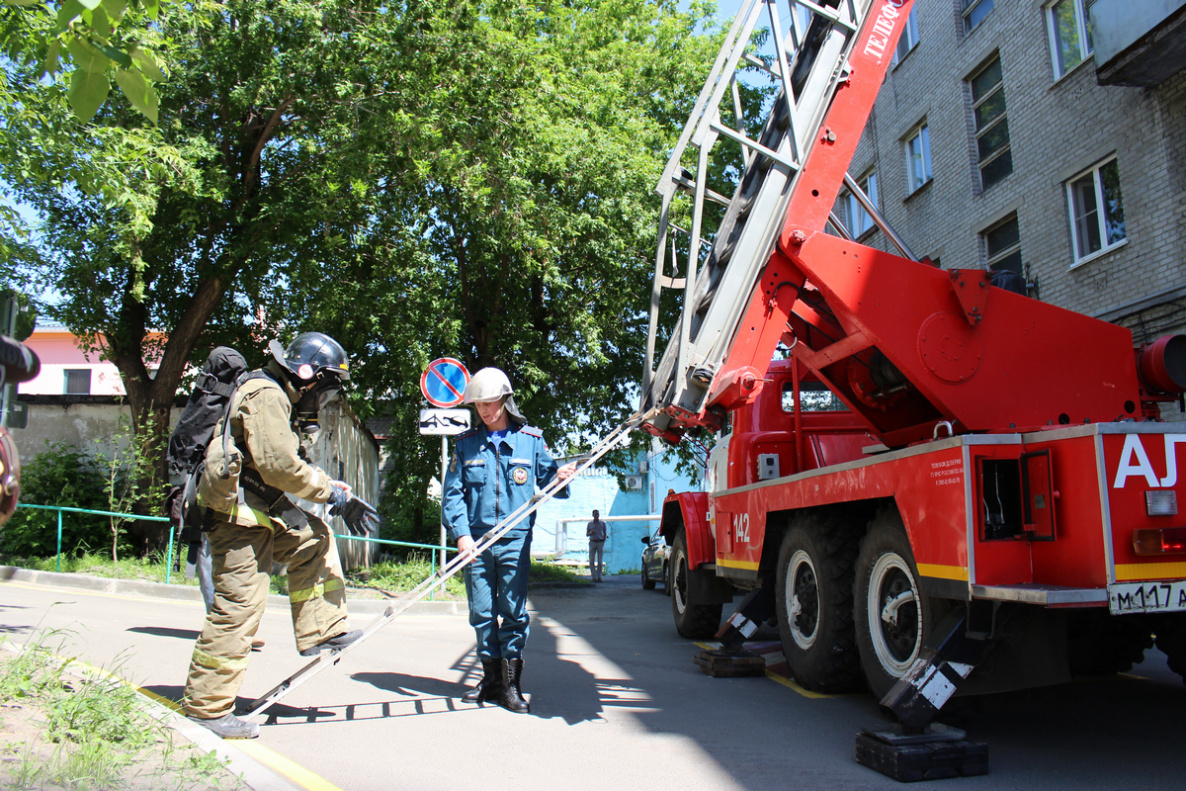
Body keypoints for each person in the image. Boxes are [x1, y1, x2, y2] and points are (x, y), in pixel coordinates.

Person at [182, 332, 376, 739]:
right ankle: (206, 707)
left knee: (313, 536)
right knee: (239, 607)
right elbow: (279, 467)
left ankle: (322, 631)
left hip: (259, 512)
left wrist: (332, 491)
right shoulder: (266, 394)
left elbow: (281, 462)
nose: (321, 401)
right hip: (236, 517)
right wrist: (331, 492)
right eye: (324, 389)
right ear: (307, 376)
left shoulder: (279, 398)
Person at [443, 367, 576, 714]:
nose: (485, 411)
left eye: (490, 403)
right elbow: (453, 496)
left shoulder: (530, 441)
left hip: (515, 539)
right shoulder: (466, 444)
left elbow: (550, 482)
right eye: (479, 405)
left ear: (504, 400)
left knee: (513, 612)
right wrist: (461, 536)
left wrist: (560, 477)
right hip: (477, 541)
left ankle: (512, 685)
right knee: (482, 612)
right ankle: (490, 680)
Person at [586, 509, 607, 582]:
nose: (596, 515)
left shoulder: (602, 523)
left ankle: (599, 576)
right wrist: (590, 533)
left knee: (600, 561)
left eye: (597, 514)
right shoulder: (590, 524)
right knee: (591, 560)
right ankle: (594, 577)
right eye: (595, 514)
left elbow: (605, 533)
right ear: (593, 515)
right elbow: (587, 534)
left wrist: (603, 541)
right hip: (592, 542)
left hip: (600, 542)